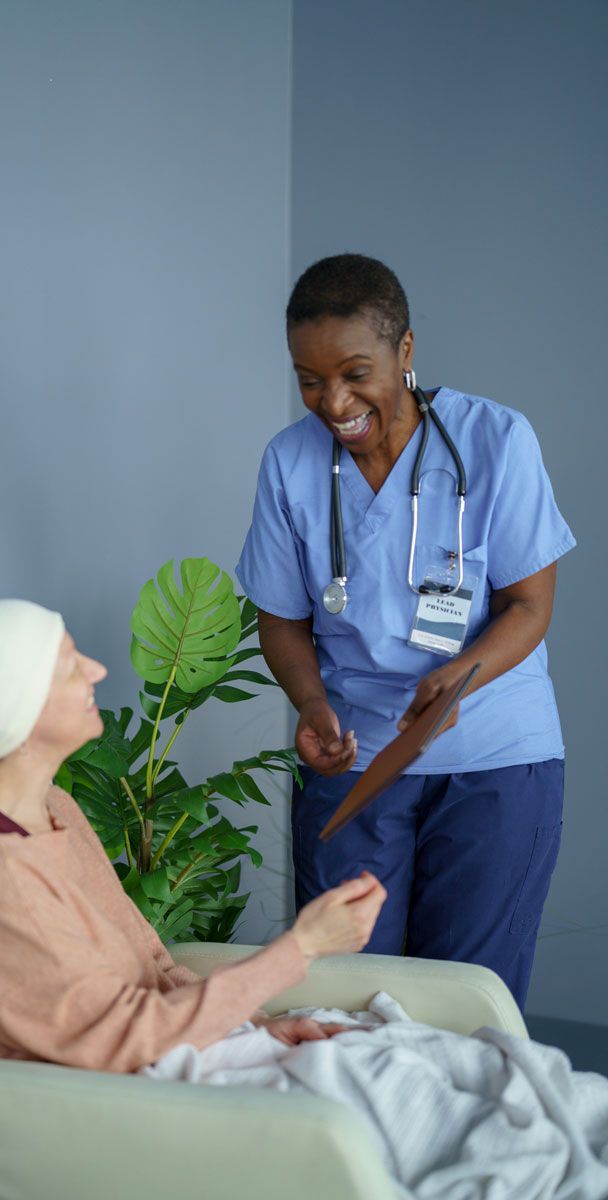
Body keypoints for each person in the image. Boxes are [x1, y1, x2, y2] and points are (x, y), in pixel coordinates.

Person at [236, 254, 576, 1011]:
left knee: (463, 1002)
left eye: (355, 372)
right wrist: (312, 706)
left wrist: (462, 675)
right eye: (309, 379)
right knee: (348, 999)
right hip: (354, 757)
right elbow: (282, 618)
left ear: (407, 352)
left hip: (494, 752)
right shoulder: (290, 465)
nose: (334, 400)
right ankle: (359, 1137)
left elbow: (528, 604)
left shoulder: (496, 440)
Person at [0, 599, 387, 1073]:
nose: (97, 671)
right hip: (92, 1104)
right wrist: (299, 949)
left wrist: (257, 1026)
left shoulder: (51, 808)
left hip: (167, 1054)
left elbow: (149, 960)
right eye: (69, 666)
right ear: (10, 708)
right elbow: (116, 1038)